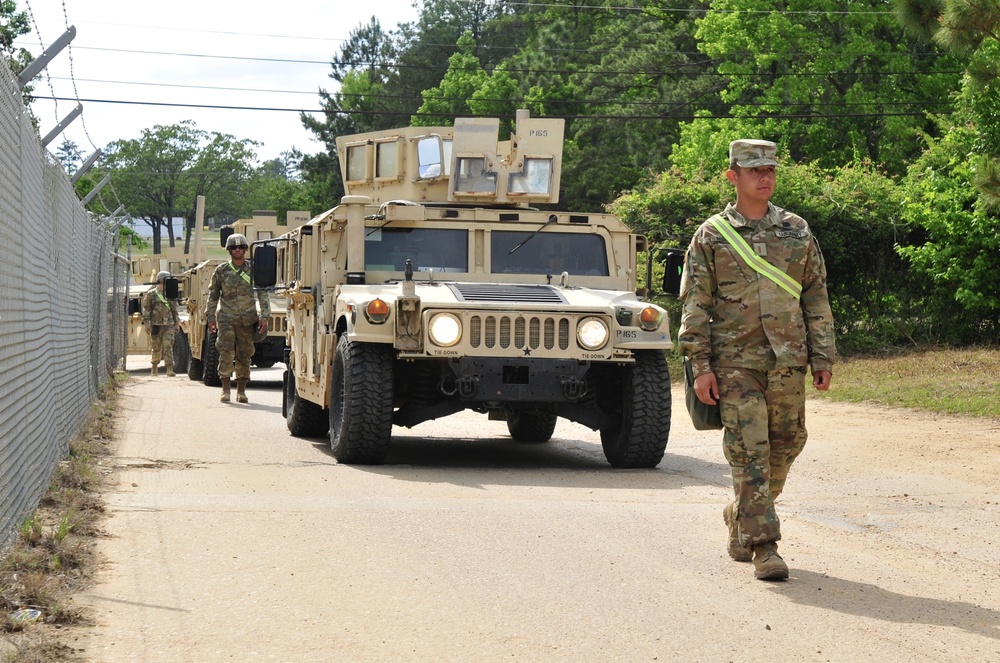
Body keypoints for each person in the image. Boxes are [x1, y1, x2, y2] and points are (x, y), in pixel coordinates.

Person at [677, 139, 836, 581]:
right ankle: (765, 546)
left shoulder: (796, 230)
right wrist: (700, 365)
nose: (764, 177)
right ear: (733, 176)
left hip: (787, 358)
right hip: (735, 362)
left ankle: (740, 514)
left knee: (787, 444)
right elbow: (696, 303)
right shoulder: (712, 235)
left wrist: (822, 355)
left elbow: (816, 294)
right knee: (751, 452)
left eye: (769, 170)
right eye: (753, 171)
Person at [205, 234, 269, 403]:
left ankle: (241, 390)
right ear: (229, 250)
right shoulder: (221, 271)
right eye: (234, 248)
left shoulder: (254, 270)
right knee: (225, 352)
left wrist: (264, 316)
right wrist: (210, 318)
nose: (238, 250)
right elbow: (213, 297)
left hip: (247, 319)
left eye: (241, 247)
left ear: (246, 249)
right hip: (226, 318)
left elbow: (263, 294)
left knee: (244, 354)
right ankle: (225, 389)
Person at [142, 270, 181, 377]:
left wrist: (177, 323)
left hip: (168, 324)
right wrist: (146, 323)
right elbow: (146, 310)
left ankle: (169, 368)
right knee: (156, 347)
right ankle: (154, 368)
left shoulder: (171, 294)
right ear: (161, 281)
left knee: (168, 346)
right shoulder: (151, 294)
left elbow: (175, 310)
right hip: (156, 325)